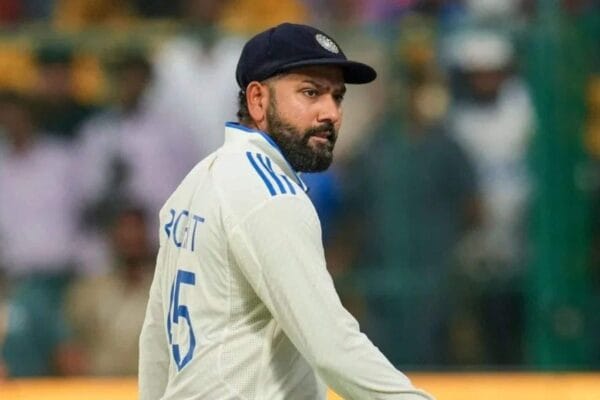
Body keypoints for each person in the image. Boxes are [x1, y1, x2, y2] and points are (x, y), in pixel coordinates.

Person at [139, 23, 434, 400]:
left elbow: (156, 340)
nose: (330, 112)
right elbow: (333, 348)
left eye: (337, 97)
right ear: (258, 100)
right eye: (310, 92)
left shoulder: (196, 182)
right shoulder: (270, 195)